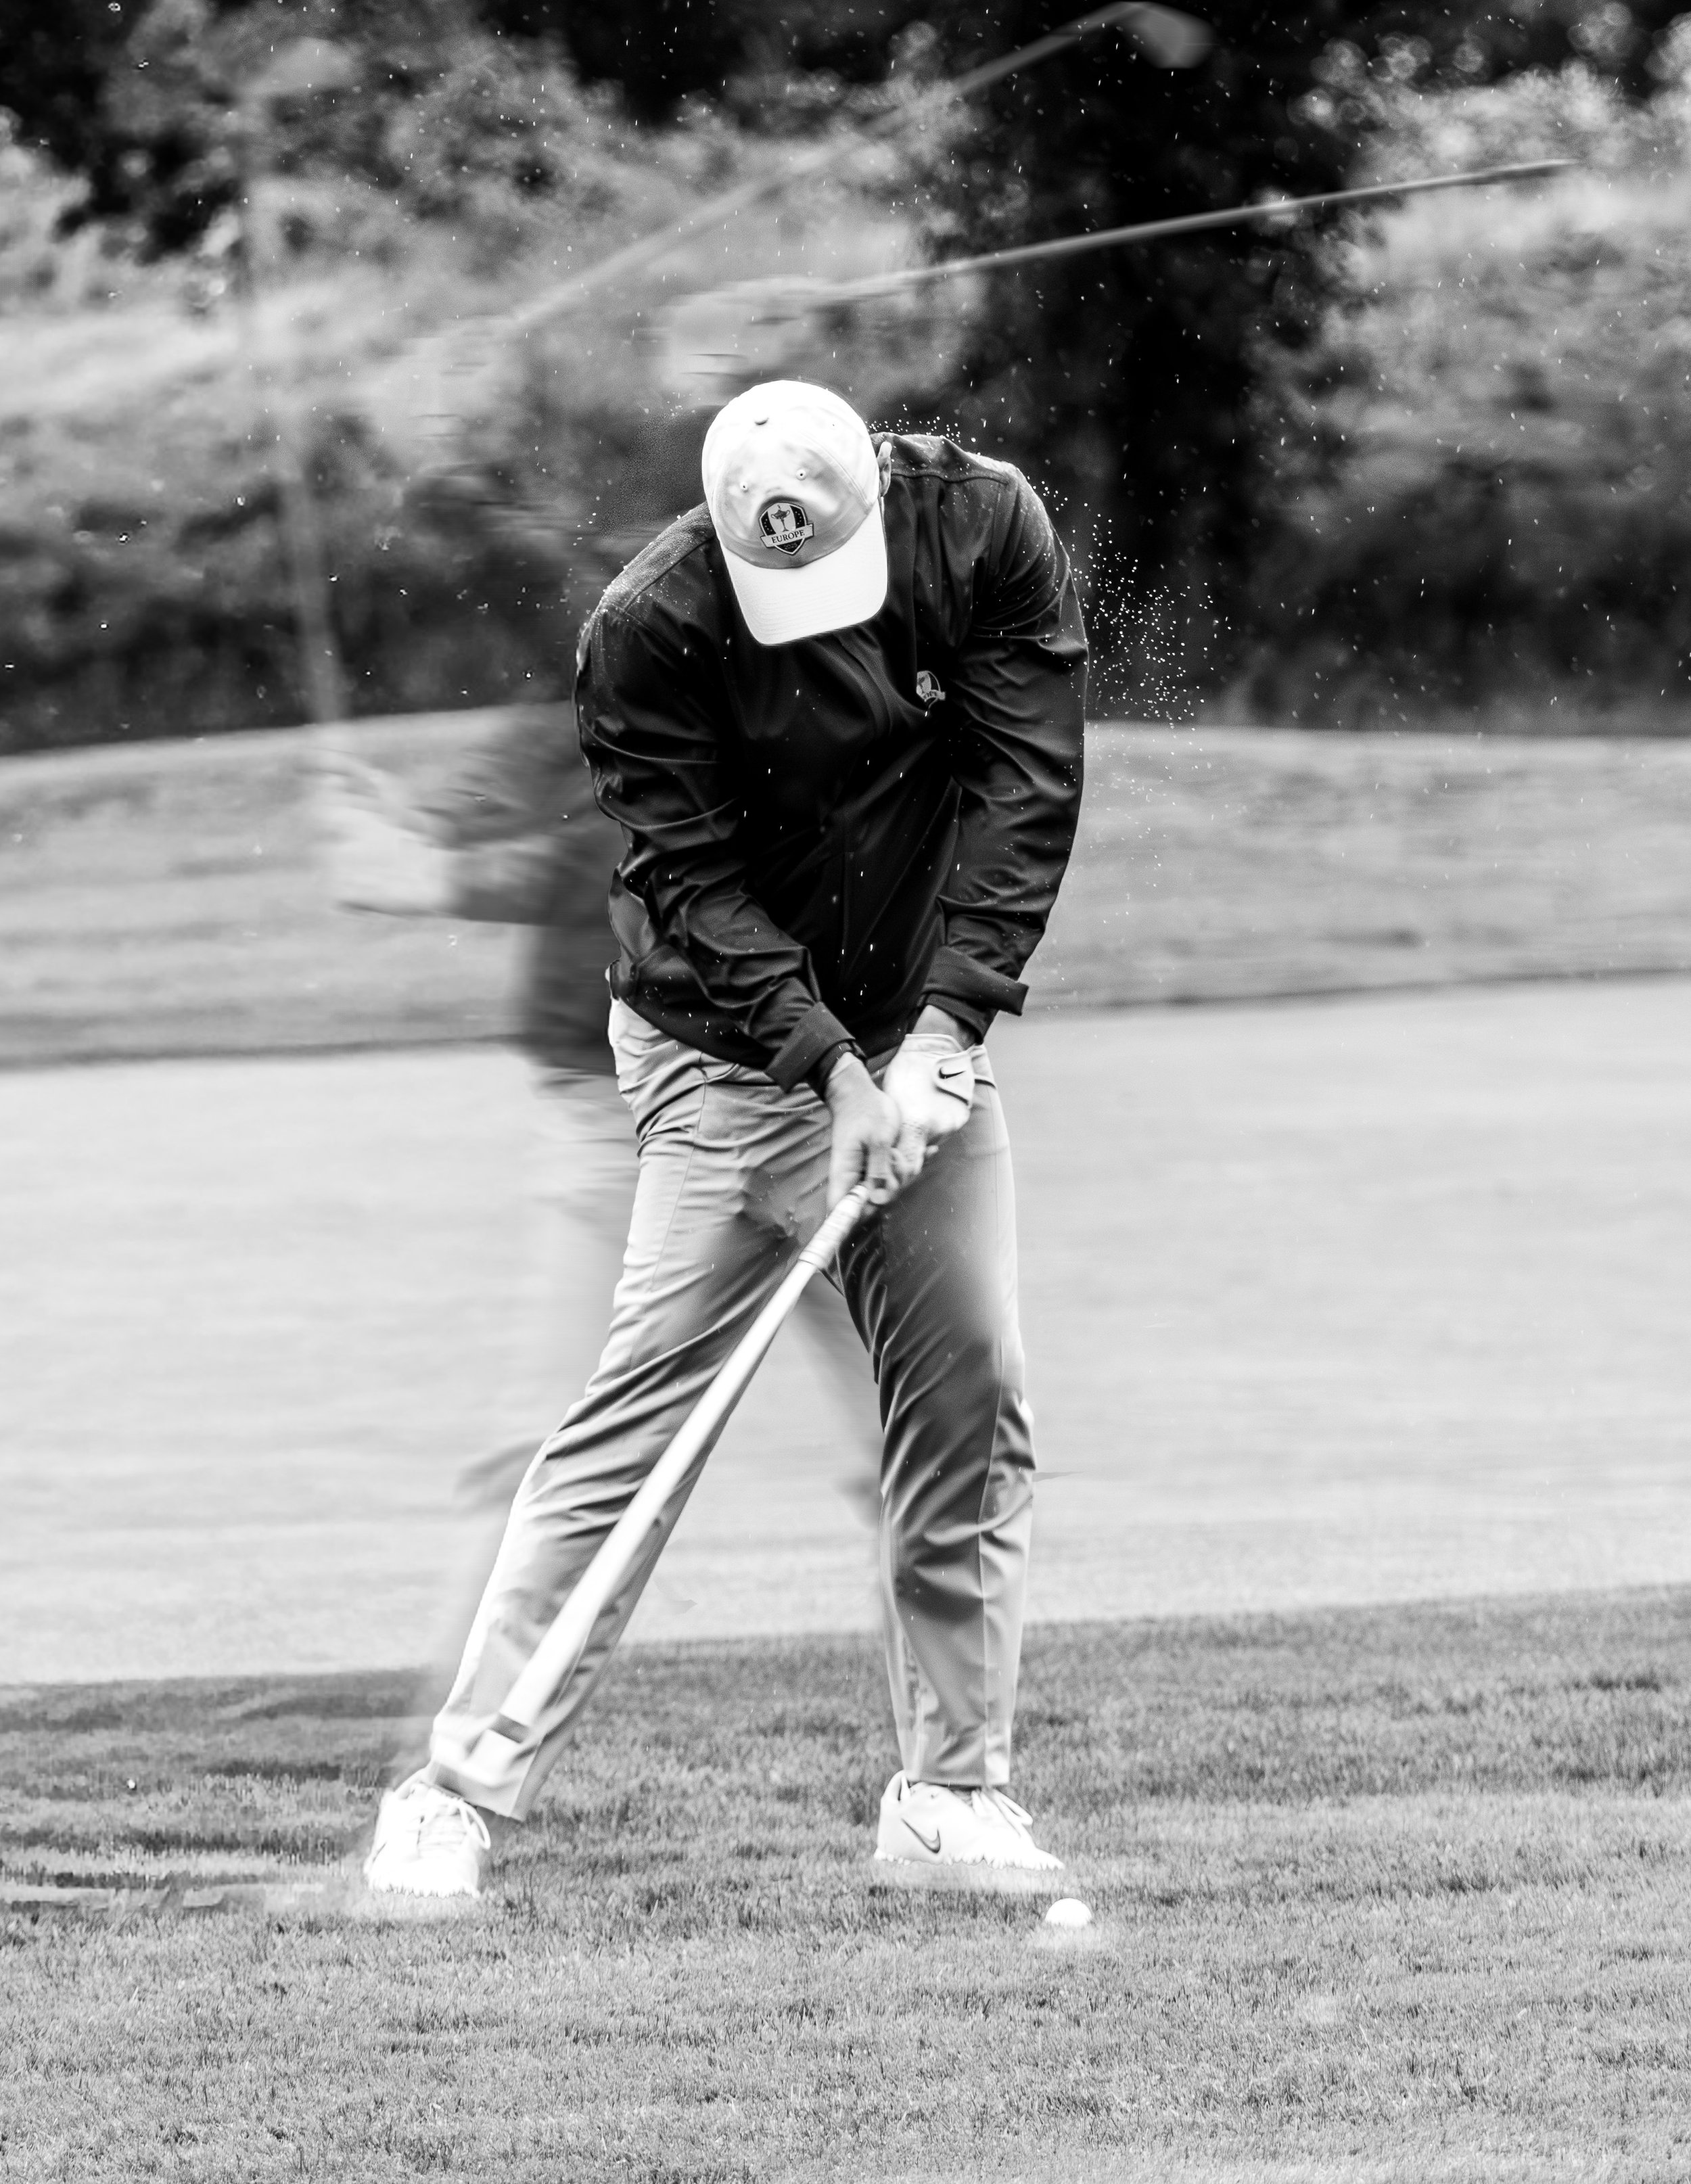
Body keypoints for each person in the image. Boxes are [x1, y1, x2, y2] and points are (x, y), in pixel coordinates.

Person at [363, 377, 1088, 1899]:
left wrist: (943, 1037)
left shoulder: (980, 525)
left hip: (916, 1041)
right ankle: (455, 1790)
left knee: (968, 1407)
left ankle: (948, 1793)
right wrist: (828, 1075)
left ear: (874, 497)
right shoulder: (650, 628)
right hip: (713, 1055)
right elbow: (691, 886)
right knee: (634, 1428)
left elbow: (1024, 781)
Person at [315, 712, 881, 1683]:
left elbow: (626, 869)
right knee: (550, 1457)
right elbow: (565, 836)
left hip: (794, 1115)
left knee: (916, 1432)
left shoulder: (752, 712)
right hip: (653, 1117)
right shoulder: (639, 694)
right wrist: (404, 833)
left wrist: (411, 869)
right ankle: (447, 1770)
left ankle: (955, 1764)